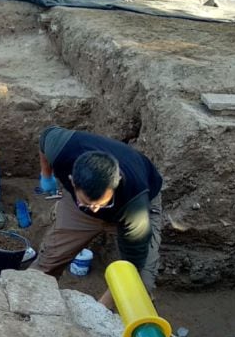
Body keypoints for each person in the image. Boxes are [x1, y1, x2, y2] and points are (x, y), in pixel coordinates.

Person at [33, 126, 163, 309]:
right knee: (45, 265)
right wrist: (46, 175)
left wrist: (97, 312)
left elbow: (132, 266)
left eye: (102, 203)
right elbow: (44, 137)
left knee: (139, 284)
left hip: (131, 205)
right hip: (79, 209)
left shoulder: (134, 207)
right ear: (72, 181)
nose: (95, 210)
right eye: (87, 203)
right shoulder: (61, 149)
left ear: (115, 183)